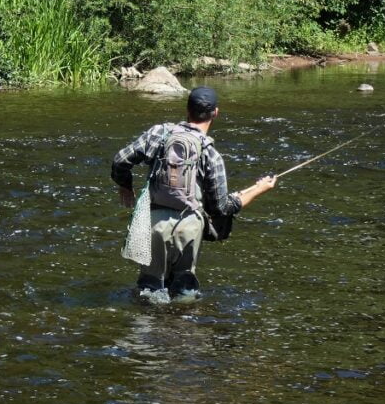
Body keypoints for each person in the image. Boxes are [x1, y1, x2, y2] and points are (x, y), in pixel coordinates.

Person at [111, 85, 276, 299]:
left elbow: (120, 161)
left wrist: (125, 185)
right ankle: (183, 329)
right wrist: (258, 190)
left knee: (149, 290)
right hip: (189, 227)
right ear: (215, 113)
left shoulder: (159, 133)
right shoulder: (211, 154)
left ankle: (145, 329)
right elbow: (221, 207)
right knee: (184, 292)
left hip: (154, 223)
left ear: (186, 109)